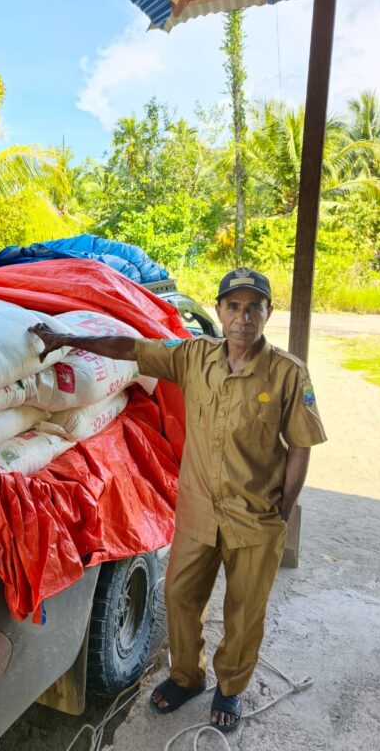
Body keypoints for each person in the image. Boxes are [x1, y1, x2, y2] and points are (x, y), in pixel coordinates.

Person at [29, 267, 326, 733]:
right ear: (220, 311)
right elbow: (132, 349)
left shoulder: (289, 373)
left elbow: (301, 447)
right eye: (234, 307)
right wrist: (67, 338)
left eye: (254, 308)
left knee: (244, 613)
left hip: (256, 519)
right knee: (180, 596)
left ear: (268, 313)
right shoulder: (193, 356)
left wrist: (281, 514)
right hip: (199, 513)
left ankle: (230, 688)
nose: (243, 318)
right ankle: (187, 676)